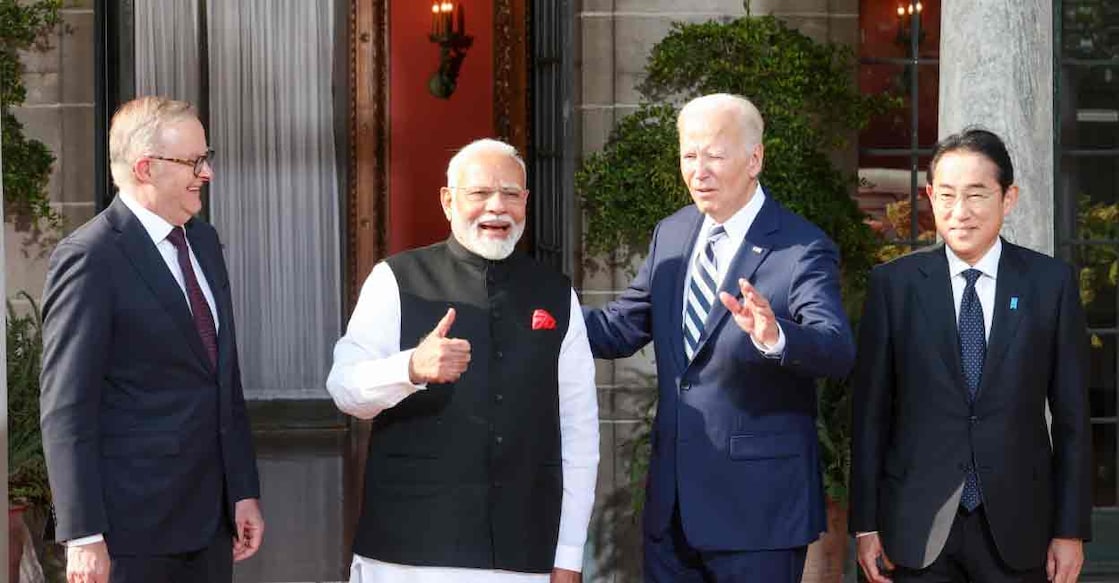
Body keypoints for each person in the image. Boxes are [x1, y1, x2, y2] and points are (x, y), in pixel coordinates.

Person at [582, 93, 855, 582]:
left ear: (755, 159)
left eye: (714, 155)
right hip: (673, 512)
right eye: (689, 155)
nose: (698, 170)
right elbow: (622, 327)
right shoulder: (672, 233)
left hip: (759, 515)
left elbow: (835, 348)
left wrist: (775, 337)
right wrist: (540, 315)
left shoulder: (801, 246)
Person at [326, 138, 599, 583]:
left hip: (523, 550)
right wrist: (410, 368)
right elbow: (344, 390)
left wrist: (569, 552)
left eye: (511, 194)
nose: (497, 207)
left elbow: (579, 428)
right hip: (409, 552)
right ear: (448, 201)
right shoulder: (396, 280)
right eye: (479, 194)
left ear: (526, 202)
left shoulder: (555, 293)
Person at [850, 128, 1092, 583]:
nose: (959, 212)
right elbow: (870, 417)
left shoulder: (1050, 285)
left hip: (1021, 529)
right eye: (946, 195)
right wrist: (866, 524)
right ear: (929, 197)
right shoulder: (894, 286)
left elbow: (1074, 418)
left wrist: (1070, 530)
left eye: (977, 194)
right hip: (913, 530)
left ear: (1009, 197)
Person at [40, 96, 264, 583]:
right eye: (194, 161)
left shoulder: (204, 242)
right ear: (145, 167)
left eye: (207, 158)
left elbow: (223, 381)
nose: (207, 173)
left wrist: (242, 490)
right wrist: (83, 534)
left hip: (210, 524)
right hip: (130, 533)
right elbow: (67, 407)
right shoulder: (90, 257)